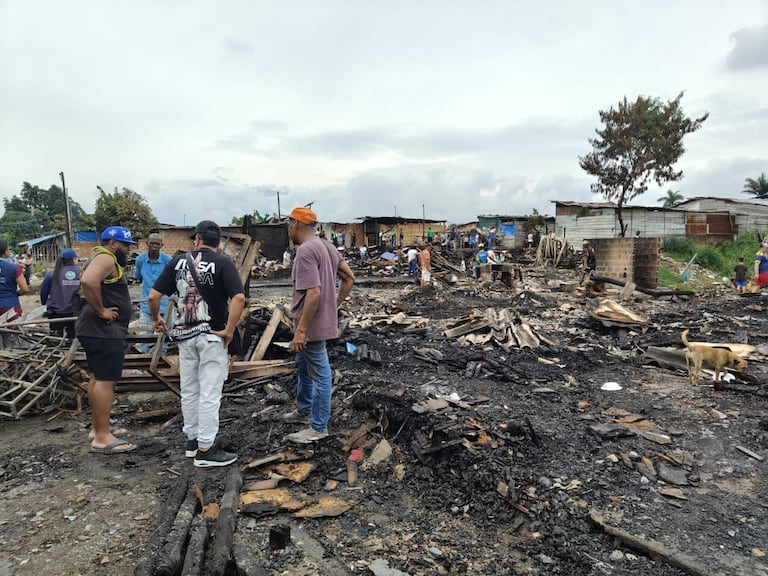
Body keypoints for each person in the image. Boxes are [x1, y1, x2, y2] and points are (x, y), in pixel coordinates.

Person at [149, 220, 246, 467]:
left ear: (197, 240)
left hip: (185, 337)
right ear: (219, 241)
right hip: (211, 335)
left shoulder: (177, 261)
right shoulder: (223, 263)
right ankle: (206, 449)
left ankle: (192, 441)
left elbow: (153, 295)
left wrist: (157, 319)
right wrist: (229, 330)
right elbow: (238, 297)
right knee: (210, 391)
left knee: (190, 389)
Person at [282, 206, 355, 444]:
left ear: (295, 225)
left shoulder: (305, 251)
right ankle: (304, 410)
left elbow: (313, 293)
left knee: (321, 374)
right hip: (318, 321)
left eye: (288, 226)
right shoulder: (328, 247)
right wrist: (332, 306)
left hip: (310, 325)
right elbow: (349, 278)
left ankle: (318, 427)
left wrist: (301, 330)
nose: (288, 231)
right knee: (303, 365)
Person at [76, 226, 137, 454]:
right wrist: (102, 311)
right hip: (102, 330)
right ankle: (102, 437)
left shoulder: (102, 256)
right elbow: (89, 281)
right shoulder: (106, 257)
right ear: (112, 243)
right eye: (125, 245)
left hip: (96, 330)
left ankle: (99, 428)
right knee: (106, 381)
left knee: (97, 378)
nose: (128, 249)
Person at [133, 233, 172, 353]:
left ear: (162, 245)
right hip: (146, 305)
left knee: (163, 336)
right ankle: (142, 365)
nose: (154, 246)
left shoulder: (168, 261)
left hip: (165, 305)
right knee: (144, 336)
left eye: (157, 244)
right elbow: (138, 277)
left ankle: (160, 362)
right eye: (152, 243)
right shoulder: (140, 260)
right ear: (147, 244)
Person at [40, 248, 81, 339]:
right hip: (75, 312)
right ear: (74, 259)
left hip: (56, 312)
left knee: (56, 338)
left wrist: (44, 304)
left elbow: (43, 291)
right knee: (74, 338)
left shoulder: (52, 274)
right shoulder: (82, 272)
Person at [0, 238, 29, 322]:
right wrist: (15, 294)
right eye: (9, 249)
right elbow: (24, 289)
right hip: (10, 306)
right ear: (5, 251)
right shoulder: (14, 268)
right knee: (14, 332)